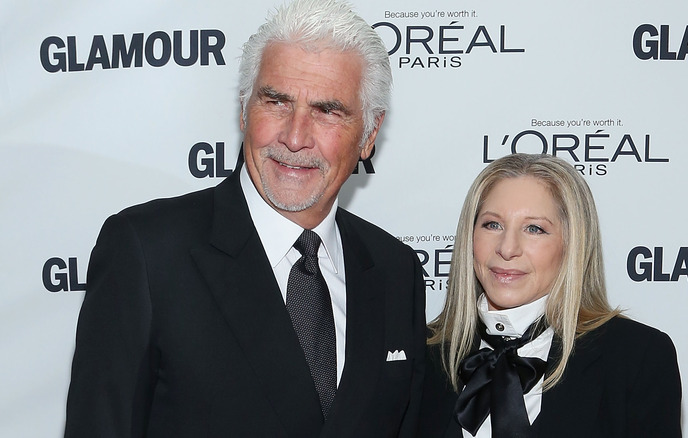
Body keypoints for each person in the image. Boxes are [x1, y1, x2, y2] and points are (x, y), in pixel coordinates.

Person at [64, 1, 426, 436]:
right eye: (276, 101)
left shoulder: (394, 269)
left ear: (369, 134)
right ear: (243, 109)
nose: (294, 137)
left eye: (327, 111)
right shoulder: (147, 254)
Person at [417, 153, 682, 437]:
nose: (507, 248)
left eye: (535, 229)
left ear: (572, 244)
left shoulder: (635, 357)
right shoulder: (420, 357)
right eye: (492, 224)